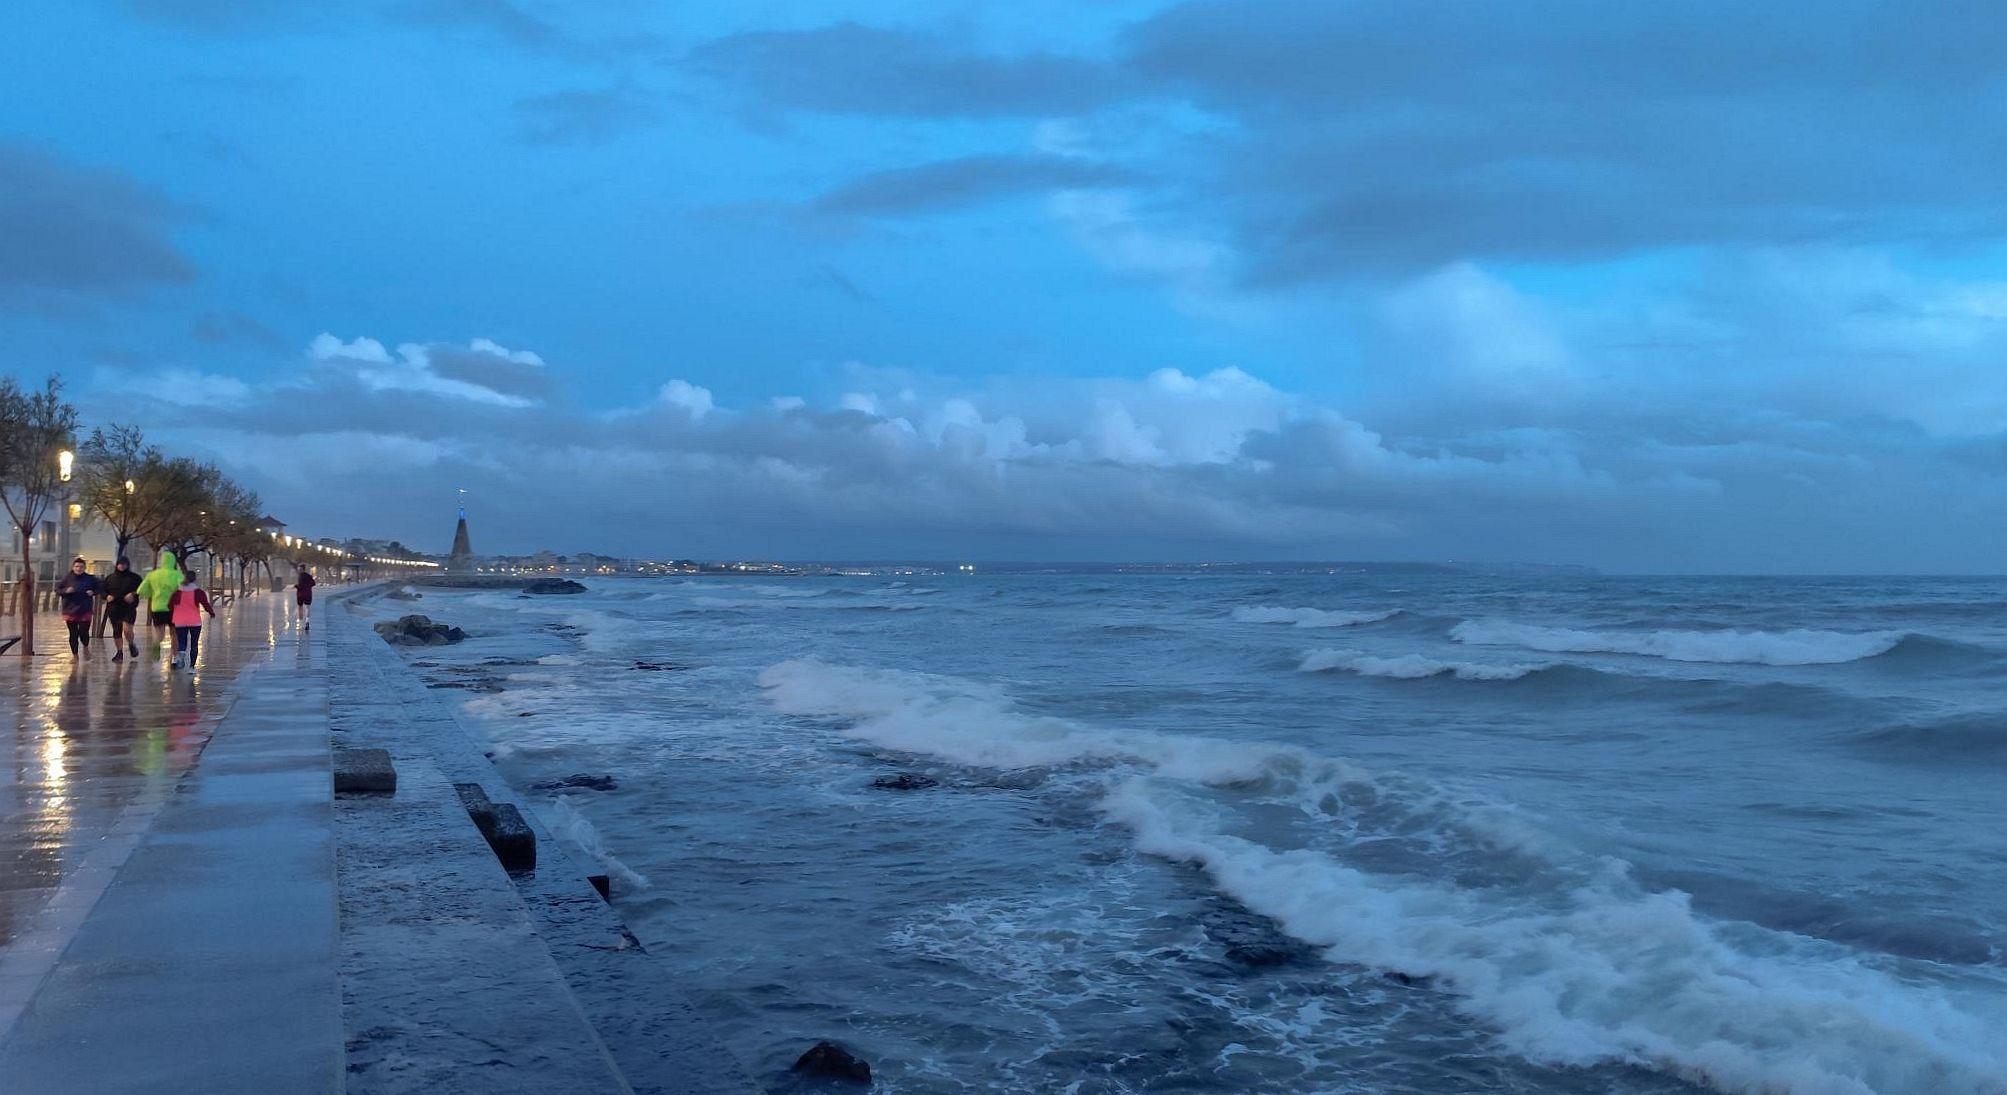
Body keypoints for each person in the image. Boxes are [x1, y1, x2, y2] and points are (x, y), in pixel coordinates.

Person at [136, 550, 183, 657]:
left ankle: (156, 645)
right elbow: (183, 589)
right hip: (174, 608)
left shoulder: (152, 575)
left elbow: (140, 591)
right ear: (173, 561)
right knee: (174, 633)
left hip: (157, 607)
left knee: (160, 633)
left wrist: (151, 594)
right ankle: (175, 657)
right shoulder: (177, 575)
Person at [168, 570, 216, 670]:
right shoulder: (198, 592)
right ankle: (192, 667)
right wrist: (211, 613)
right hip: (194, 621)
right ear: (195, 579)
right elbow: (205, 604)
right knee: (194, 644)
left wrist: (173, 615)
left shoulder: (177, 592)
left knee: (182, 641)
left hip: (180, 621)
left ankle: (181, 653)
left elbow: (170, 605)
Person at [54, 558, 100, 660]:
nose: (79, 569)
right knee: (73, 633)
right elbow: (57, 590)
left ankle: (85, 647)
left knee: (84, 631)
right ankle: (75, 655)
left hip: (85, 609)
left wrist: (93, 592)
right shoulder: (67, 578)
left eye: (81, 567)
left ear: (85, 568)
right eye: (77, 566)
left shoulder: (90, 578)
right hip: (70, 610)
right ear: (73, 567)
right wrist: (66, 590)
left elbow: (99, 587)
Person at [101, 556, 143, 661]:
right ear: (117, 565)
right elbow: (103, 590)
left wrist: (133, 594)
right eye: (120, 564)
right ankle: (119, 652)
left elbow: (142, 589)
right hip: (114, 607)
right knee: (116, 630)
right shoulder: (110, 578)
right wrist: (106, 596)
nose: (122, 566)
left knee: (127, 629)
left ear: (127, 565)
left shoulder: (135, 578)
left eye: (124, 564)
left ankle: (131, 644)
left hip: (129, 607)